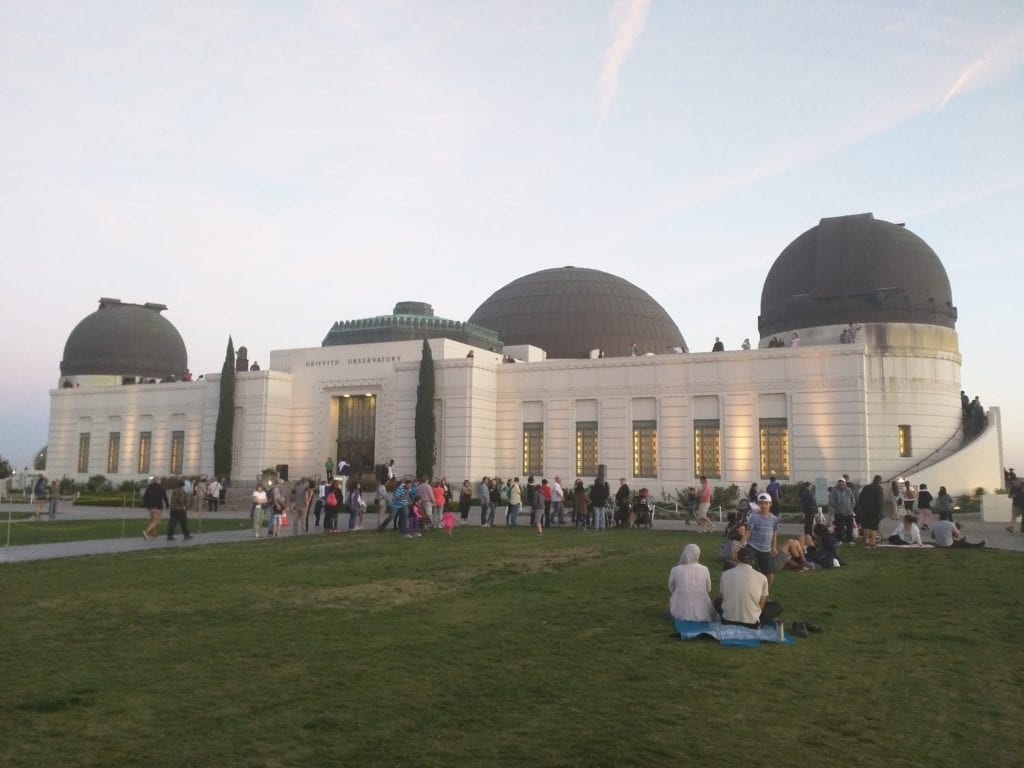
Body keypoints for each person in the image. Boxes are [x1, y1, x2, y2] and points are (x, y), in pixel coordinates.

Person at [713, 547, 783, 628]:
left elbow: (724, 597)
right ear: (753, 561)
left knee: (717, 601)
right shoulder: (762, 577)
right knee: (777, 606)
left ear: (737, 559)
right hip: (752, 623)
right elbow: (761, 605)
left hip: (727, 620)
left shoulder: (725, 574)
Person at [668, 544, 715, 622]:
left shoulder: (675, 570)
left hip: (679, 612)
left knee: (675, 595)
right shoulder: (705, 569)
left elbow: (671, 588)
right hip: (703, 612)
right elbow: (708, 589)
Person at [746, 493, 779, 586]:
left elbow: (774, 532)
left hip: (766, 550)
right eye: (761, 503)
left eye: (766, 503)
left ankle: (764, 595)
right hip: (753, 547)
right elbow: (748, 531)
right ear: (758, 504)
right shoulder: (754, 516)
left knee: (770, 576)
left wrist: (774, 547)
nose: (764, 505)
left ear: (770, 504)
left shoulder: (774, 519)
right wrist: (741, 544)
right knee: (750, 573)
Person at [857, 475, 885, 548]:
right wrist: (880, 512)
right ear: (880, 481)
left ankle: (866, 542)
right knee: (873, 527)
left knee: (865, 526)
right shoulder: (879, 489)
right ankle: (872, 543)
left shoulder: (866, 488)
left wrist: (861, 507)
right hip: (874, 512)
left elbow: (860, 498)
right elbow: (879, 502)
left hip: (864, 510)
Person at [829, 477, 856, 545]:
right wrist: (837, 508)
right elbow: (832, 502)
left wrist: (851, 508)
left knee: (849, 527)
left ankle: (849, 540)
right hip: (839, 512)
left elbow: (853, 500)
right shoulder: (834, 491)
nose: (841, 483)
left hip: (848, 512)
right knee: (839, 527)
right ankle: (840, 540)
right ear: (838, 483)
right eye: (840, 482)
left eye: (842, 482)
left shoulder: (849, 490)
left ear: (845, 483)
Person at [799, 481, 817, 546]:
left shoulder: (807, 492)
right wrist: (811, 507)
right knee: (808, 523)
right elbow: (807, 502)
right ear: (807, 486)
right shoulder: (805, 492)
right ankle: (808, 535)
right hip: (809, 510)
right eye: (810, 486)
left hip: (811, 510)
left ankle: (809, 534)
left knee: (810, 523)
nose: (811, 487)